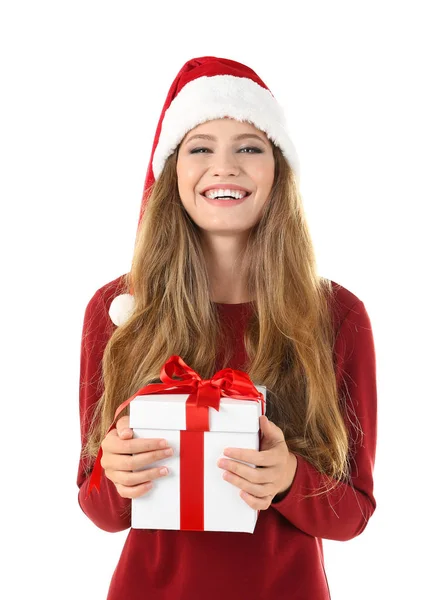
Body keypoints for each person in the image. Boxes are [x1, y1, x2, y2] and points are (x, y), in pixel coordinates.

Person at [77, 56, 378, 600]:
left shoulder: (337, 316)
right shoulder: (119, 309)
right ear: (172, 172)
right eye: (199, 148)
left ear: (277, 170)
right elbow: (100, 511)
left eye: (248, 146)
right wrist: (113, 471)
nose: (225, 166)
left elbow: (353, 514)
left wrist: (289, 478)